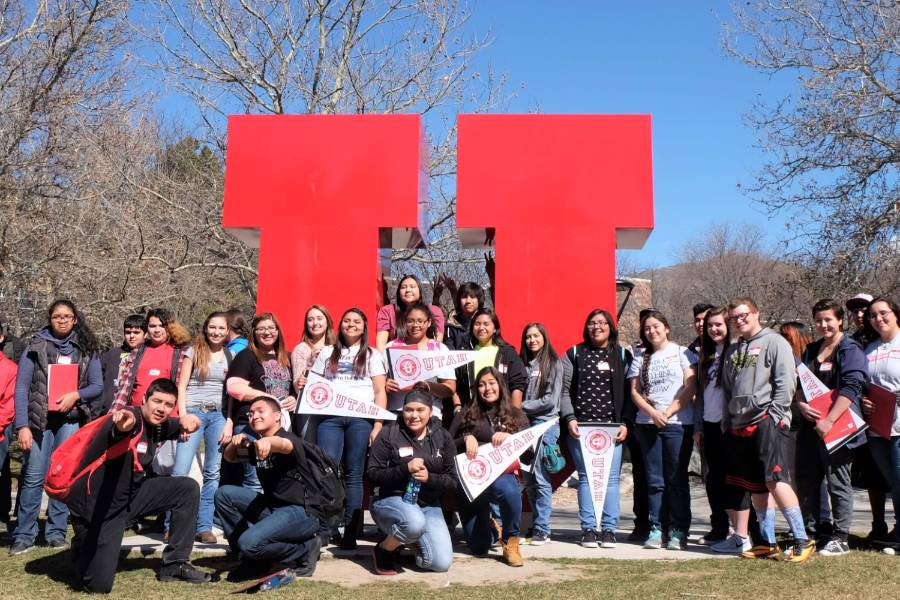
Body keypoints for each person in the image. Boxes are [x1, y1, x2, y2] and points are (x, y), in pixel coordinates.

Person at [66, 379, 208, 593]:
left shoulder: (159, 425)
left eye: (168, 405)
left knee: (187, 488)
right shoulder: (131, 419)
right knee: (98, 586)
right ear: (144, 399)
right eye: (157, 401)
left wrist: (193, 420)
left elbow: (183, 423)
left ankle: (174, 565)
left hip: (130, 498)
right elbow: (124, 424)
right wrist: (124, 423)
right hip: (99, 509)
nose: (161, 409)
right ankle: (84, 544)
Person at [721, 297, 814, 562]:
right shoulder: (734, 350)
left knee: (775, 480)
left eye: (744, 315)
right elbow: (729, 389)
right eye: (735, 317)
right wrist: (728, 421)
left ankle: (802, 540)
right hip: (739, 426)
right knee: (756, 486)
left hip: (767, 421)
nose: (740, 320)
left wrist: (775, 415)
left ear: (756, 313)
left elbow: (786, 381)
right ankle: (767, 542)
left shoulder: (775, 342)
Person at [10, 299, 103, 556]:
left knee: (62, 477)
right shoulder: (35, 345)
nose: (62, 320)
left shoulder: (86, 347)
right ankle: (24, 535)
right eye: (57, 316)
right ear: (49, 319)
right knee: (33, 477)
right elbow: (21, 387)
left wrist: (76, 395)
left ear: (75, 319)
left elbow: (97, 386)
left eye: (67, 316)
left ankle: (55, 532)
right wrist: (22, 426)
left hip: (70, 420)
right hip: (39, 422)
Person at [216, 396, 324, 580]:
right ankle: (251, 559)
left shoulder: (289, 439)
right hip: (273, 509)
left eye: (260, 411)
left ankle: (304, 550)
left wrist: (269, 441)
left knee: (249, 542)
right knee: (224, 494)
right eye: (251, 413)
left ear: (277, 416)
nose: (254, 416)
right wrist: (234, 444)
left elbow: (283, 446)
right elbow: (230, 458)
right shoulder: (258, 445)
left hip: (302, 512)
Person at [309, 308, 388, 550]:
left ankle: (351, 533)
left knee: (354, 475)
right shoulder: (326, 352)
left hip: (360, 419)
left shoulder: (373, 354)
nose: (351, 325)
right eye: (347, 321)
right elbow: (314, 383)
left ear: (364, 328)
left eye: (356, 322)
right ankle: (325, 529)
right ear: (340, 325)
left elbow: (379, 392)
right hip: (330, 418)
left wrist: (378, 425)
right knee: (327, 472)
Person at [794, 299, 867, 556]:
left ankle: (841, 536)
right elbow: (800, 384)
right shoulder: (811, 349)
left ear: (839, 321)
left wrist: (829, 421)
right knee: (808, 480)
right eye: (818, 320)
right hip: (810, 428)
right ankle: (815, 531)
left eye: (828, 319)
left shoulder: (850, 349)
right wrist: (801, 405)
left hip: (838, 428)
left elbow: (851, 387)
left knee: (838, 483)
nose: (823, 324)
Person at [560, 309, 632, 549]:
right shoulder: (574, 353)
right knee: (586, 479)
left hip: (613, 430)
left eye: (602, 322)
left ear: (611, 326)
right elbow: (563, 390)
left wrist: (625, 423)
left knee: (611, 480)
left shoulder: (622, 355)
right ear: (586, 327)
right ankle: (589, 529)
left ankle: (610, 530)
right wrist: (569, 418)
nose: (597, 327)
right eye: (592, 322)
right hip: (581, 429)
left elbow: (631, 393)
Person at [627, 310, 697, 550]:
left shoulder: (682, 353)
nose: (652, 331)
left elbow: (690, 387)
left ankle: (678, 530)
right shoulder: (640, 357)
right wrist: (653, 413)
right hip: (647, 426)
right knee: (654, 481)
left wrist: (667, 412)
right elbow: (635, 392)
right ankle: (657, 528)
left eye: (656, 326)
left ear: (666, 327)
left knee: (676, 480)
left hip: (677, 424)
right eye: (647, 328)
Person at [367, 389, 456, 575]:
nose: (414, 415)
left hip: (428, 505)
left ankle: (406, 539)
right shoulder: (388, 433)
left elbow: (453, 480)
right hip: (392, 500)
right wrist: (404, 469)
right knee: (414, 522)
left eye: (420, 410)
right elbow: (373, 474)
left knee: (441, 563)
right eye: (408, 410)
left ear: (430, 412)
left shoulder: (443, 437)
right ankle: (384, 550)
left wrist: (430, 478)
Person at [450, 367, 530, 566]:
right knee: (479, 547)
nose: (487, 388)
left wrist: (512, 440)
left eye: (492, 383)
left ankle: (511, 540)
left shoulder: (516, 414)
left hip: (502, 476)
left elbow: (530, 452)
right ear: (476, 389)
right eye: (482, 384)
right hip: (471, 482)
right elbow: (447, 445)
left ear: (501, 385)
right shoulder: (465, 414)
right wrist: (466, 438)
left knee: (509, 490)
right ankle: (493, 529)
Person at [173, 311, 233, 544]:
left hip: (218, 415)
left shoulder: (230, 355)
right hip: (194, 413)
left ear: (227, 331)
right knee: (181, 470)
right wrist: (183, 416)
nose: (217, 332)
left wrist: (228, 420)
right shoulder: (192, 352)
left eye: (222, 328)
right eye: (213, 327)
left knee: (212, 473)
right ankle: (173, 525)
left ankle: (204, 526)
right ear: (206, 328)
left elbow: (231, 393)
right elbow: (181, 387)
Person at [225, 313, 295, 489]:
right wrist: (267, 398)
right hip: (248, 426)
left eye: (271, 328)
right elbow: (234, 387)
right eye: (261, 329)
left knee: (276, 478)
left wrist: (293, 398)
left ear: (278, 331)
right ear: (254, 332)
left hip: (279, 429)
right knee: (253, 478)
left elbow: (292, 389)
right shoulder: (246, 356)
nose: (267, 332)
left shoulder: (286, 357)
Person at [693, 307, 740, 549]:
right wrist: (699, 426)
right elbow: (701, 395)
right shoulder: (706, 356)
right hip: (709, 425)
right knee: (712, 479)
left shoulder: (737, 351)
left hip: (730, 426)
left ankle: (741, 530)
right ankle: (720, 527)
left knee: (733, 479)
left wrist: (730, 418)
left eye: (718, 324)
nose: (713, 329)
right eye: (709, 326)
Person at [861, 297, 900, 554]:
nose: (878, 319)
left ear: (895, 314)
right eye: (873, 315)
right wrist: (864, 400)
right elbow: (864, 384)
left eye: (883, 313)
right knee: (892, 481)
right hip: (876, 428)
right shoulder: (869, 349)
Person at [518, 323, 563, 546]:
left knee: (541, 479)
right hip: (524, 427)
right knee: (528, 479)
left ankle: (543, 529)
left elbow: (550, 401)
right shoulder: (524, 364)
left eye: (536, 336)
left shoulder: (554, 364)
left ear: (544, 338)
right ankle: (536, 525)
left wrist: (519, 405)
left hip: (545, 426)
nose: (532, 340)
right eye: (528, 337)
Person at [109, 308, 191, 411]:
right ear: (147, 328)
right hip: (137, 414)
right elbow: (124, 387)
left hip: (167, 415)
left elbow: (184, 388)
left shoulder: (181, 352)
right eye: (152, 326)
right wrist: (114, 413)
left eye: (161, 326)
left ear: (170, 327)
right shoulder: (138, 351)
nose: (157, 330)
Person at [384, 302, 456, 419]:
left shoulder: (440, 349)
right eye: (410, 321)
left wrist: (429, 386)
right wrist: (386, 386)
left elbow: (450, 388)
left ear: (429, 323)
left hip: (429, 414)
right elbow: (377, 384)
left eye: (420, 321)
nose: (415, 325)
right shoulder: (391, 347)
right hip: (396, 412)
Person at [456, 308, 527, 409]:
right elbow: (456, 384)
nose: (481, 328)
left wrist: (515, 415)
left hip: (503, 414)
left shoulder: (507, 352)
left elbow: (517, 385)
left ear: (494, 328)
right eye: (477, 324)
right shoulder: (465, 354)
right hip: (473, 415)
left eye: (486, 324)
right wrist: (457, 407)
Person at [290, 304, 336, 441]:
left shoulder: (338, 347)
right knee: (310, 452)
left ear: (327, 321)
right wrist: (312, 364)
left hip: (334, 408)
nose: (315, 323)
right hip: (308, 410)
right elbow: (297, 387)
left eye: (319, 318)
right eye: (310, 319)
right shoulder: (301, 349)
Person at [376, 274, 446, 350]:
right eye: (403, 287)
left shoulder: (434, 311)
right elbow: (381, 343)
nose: (408, 290)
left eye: (412, 287)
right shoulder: (388, 310)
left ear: (419, 290)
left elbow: (438, 341)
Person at [98, 315, 146, 418]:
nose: (132, 336)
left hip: (134, 415)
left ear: (145, 334)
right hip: (107, 413)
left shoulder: (148, 355)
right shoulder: (112, 354)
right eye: (128, 332)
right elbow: (97, 382)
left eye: (136, 333)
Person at [0, 319, 17, 530]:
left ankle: (2, 514)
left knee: (1, 472)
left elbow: (9, 403)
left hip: (1, 430)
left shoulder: (10, 368)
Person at [443, 281, 485, 351]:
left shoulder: (486, 324)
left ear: (479, 300)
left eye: (472, 297)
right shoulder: (451, 327)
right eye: (464, 297)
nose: (468, 301)